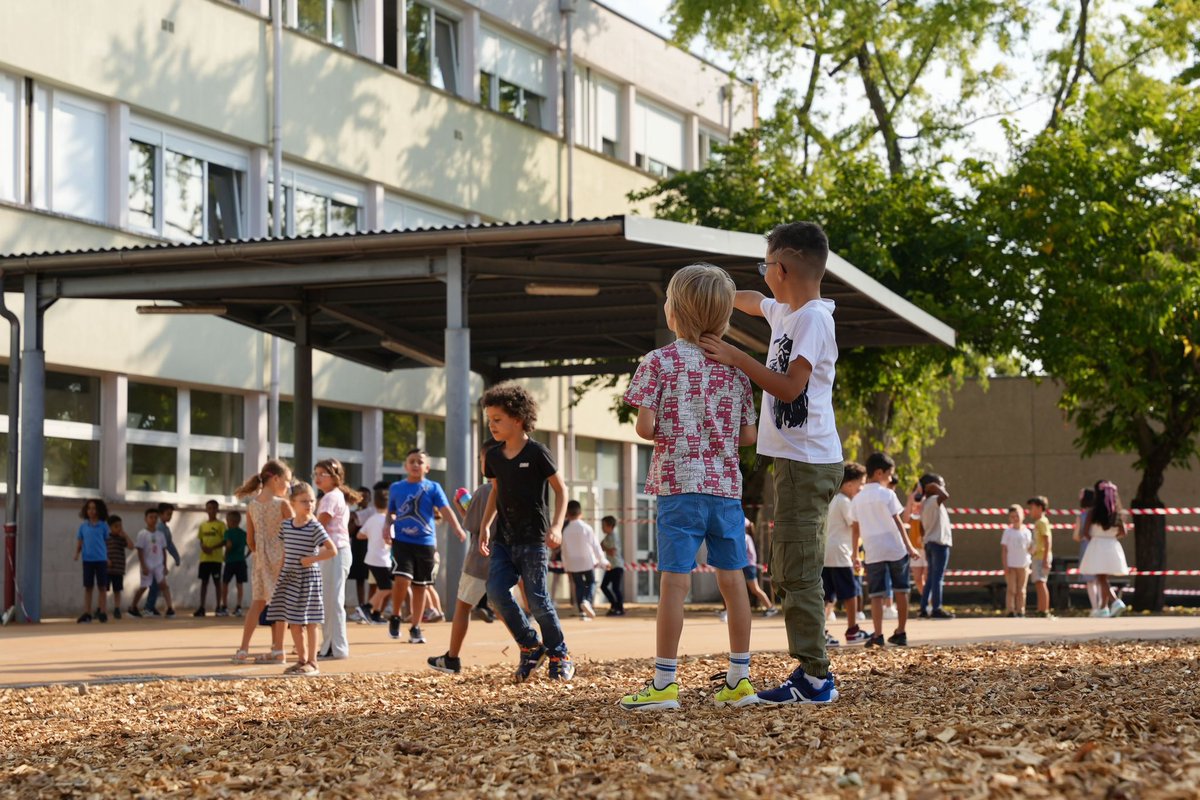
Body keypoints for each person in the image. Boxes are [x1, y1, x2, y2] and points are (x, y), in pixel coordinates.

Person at [699, 222, 843, 705]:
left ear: (780, 268)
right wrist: (706, 289)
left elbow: (789, 388)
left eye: (765, 266)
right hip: (795, 461)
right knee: (788, 565)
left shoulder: (813, 320)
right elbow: (743, 299)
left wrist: (737, 356)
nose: (762, 276)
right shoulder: (786, 309)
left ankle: (816, 680)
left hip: (809, 461)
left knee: (797, 570)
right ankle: (810, 673)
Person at [619, 262, 759, 711]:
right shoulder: (736, 369)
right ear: (724, 318)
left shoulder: (658, 362)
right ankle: (740, 678)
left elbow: (645, 426)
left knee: (673, 585)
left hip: (679, 486)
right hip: (726, 489)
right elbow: (749, 437)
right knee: (734, 581)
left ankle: (664, 684)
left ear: (673, 313)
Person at [478, 381, 574, 682]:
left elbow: (562, 491)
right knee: (495, 591)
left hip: (533, 539)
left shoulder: (537, 453)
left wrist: (557, 526)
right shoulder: (493, 456)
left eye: (497, 419)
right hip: (504, 540)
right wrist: (484, 526)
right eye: (489, 420)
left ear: (517, 419)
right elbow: (496, 492)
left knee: (537, 599)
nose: (491, 425)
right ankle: (531, 645)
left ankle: (559, 653)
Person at [428, 439, 501, 675]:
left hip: (478, 561)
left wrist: (463, 508)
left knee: (462, 608)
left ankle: (452, 657)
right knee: (505, 608)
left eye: (481, 459)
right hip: (504, 559)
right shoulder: (512, 490)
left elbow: (473, 525)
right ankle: (529, 647)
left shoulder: (483, 491)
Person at [385, 449, 466, 644]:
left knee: (420, 586)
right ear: (406, 466)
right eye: (411, 461)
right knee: (402, 578)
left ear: (427, 467)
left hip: (426, 543)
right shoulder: (396, 487)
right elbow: (390, 512)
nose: (415, 465)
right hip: (402, 541)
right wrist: (386, 527)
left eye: (419, 462)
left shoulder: (433, 487)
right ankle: (395, 615)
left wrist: (457, 528)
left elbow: (446, 510)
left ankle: (415, 626)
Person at [265, 482, 336, 675]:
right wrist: (278, 575)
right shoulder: (286, 525)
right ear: (292, 503)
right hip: (290, 577)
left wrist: (311, 559)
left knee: (311, 621)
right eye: (304, 501)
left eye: (312, 501)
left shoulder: (315, 527)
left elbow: (332, 550)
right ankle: (302, 660)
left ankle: (313, 662)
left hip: (309, 578)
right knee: (294, 621)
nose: (309, 504)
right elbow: (284, 552)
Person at [853, 453, 919, 649]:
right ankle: (901, 632)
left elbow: (855, 528)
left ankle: (878, 634)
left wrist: (855, 554)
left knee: (876, 594)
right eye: (890, 475)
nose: (891, 479)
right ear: (879, 473)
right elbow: (898, 522)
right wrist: (909, 546)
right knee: (901, 590)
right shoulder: (888, 494)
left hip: (873, 550)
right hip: (895, 548)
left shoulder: (857, 499)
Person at [232, 459, 294, 664]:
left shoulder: (252, 505)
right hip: (283, 559)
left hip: (260, 560)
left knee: (257, 603)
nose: (289, 486)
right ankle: (278, 650)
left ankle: (243, 649)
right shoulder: (283, 504)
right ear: (275, 479)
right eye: (287, 481)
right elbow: (295, 531)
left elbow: (250, 539)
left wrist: (261, 553)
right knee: (281, 603)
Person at [314, 459, 362, 661]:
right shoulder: (331, 496)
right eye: (315, 474)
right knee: (330, 600)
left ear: (334, 477)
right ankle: (331, 645)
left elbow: (318, 526)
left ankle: (336, 647)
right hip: (332, 554)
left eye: (321, 474)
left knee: (332, 601)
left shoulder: (331, 498)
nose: (317, 478)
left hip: (335, 553)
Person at [823, 463, 869, 645]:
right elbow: (855, 526)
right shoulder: (845, 502)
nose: (862, 488)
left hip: (827, 553)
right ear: (849, 484)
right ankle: (852, 630)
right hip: (841, 554)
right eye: (861, 484)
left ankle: (821, 632)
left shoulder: (833, 499)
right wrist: (856, 555)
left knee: (826, 595)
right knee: (850, 593)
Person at [1077, 480, 1130, 618]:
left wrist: (1096, 539)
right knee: (1103, 577)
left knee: (1100, 577)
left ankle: (1115, 601)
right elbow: (1124, 532)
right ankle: (1103, 608)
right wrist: (1111, 537)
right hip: (1112, 545)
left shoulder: (1092, 512)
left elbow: (1085, 532)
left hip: (1097, 544)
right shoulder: (1116, 513)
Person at [918, 473, 955, 620]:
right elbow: (945, 496)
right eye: (941, 484)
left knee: (931, 578)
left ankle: (923, 608)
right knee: (938, 577)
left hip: (929, 542)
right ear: (931, 487)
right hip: (939, 543)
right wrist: (936, 488)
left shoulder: (924, 504)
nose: (943, 487)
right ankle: (936, 608)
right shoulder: (935, 500)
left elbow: (921, 527)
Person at [129, 508, 173, 618]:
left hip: (158, 565)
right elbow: (140, 551)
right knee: (143, 587)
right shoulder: (142, 534)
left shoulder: (160, 534)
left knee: (164, 585)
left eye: (155, 517)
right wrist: (143, 565)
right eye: (150, 517)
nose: (153, 520)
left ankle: (170, 608)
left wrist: (164, 565)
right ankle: (133, 607)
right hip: (147, 565)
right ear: (145, 519)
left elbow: (163, 550)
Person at [359, 482, 393, 624]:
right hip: (382, 559)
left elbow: (360, 535)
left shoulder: (372, 518)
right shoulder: (389, 520)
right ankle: (366, 607)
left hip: (372, 558)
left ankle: (376, 614)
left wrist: (372, 536)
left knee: (382, 587)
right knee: (388, 587)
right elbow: (391, 539)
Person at [74, 498, 111, 623]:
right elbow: (80, 541)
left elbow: (107, 542)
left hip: (101, 559)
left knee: (102, 586)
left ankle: (102, 611)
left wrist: (108, 557)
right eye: (89, 508)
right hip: (88, 560)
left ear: (99, 510)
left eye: (94, 508)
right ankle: (87, 612)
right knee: (88, 587)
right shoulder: (83, 526)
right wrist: (77, 553)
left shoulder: (104, 526)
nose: (92, 511)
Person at [145, 502, 181, 616]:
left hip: (159, 561)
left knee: (157, 585)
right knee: (156, 585)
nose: (169, 517)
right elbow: (161, 547)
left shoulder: (165, 529)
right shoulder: (159, 529)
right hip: (155, 562)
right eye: (167, 514)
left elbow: (169, 544)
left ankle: (151, 606)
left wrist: (176, 556)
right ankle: (149, 607)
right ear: (161, 515)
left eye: (171, 515)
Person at [1072, 488, 1103, 612]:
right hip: (1100, 547)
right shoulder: (1100, 514)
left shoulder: (1082, 516)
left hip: (1087, 548)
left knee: (1090, 581)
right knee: (1101, 580)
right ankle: (1102, 607)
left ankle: (1095, 608)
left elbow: (1077, 536)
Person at [999, 504, 1032, 617]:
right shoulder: (1008, 532)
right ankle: (1010, 610)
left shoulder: (1027, 532)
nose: (1015, 519)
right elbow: (1004, 550)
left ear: (1023, 516)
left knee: (1021, 590)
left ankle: (1021, 610)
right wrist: (1005, 566)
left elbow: (1029, 548)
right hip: (1011, 565)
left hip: (1023, 565)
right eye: (1012, 516)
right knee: (1011, 589)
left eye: (1017, 516)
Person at [195, 499, 226, 617]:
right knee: (204, 582)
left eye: (214, 508)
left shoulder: (221, 525)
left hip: (216, 559)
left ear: (217, 510)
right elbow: (201, 540)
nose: (211, 510)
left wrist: (213, 548)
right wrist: (203, 547)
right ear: (206, 510)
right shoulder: (203, 526)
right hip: (204, 559)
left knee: (217, 583)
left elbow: (225, 540)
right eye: (209, 508)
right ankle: (202, 607)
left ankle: (219, 607)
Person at [1026, 495, 1054, 619]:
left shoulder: (1042, 522)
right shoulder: (1039, 522)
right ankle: (1041, 608)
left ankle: (1044, 610)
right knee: (1039, 583)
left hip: (1042, 556)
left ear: (1039, 507)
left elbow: (1047, 539)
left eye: (1032, 508)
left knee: (1041, 582)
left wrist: (1045, 558)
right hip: (1038, 555)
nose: (1030, 511)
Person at [348, 486, 373, 623]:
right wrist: (352, 520)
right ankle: (361, 605)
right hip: (357, 548)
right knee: (359, 578)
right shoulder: (353, 513)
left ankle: (371, 606)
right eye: (361, 496)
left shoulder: (371, 512)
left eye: (366, 497)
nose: (363, 499)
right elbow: (350, 531)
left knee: (372, 579)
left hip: (369, 547)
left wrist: (354, 518)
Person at [743, 521, 778, 617]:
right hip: (747, 566)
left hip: (748, 566)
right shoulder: (746, 537)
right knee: (747, 589)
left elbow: (741, 552)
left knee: (755, 589)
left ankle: (771, 607)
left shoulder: (745, 537)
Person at [218, 510, 248, 617]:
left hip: (230, 561)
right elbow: (251, 546)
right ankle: (238, 606)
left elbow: (229, 544)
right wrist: (246, 556)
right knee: (239, 584)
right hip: (241, 562)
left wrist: (226, 554)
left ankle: (224, 606)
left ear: (230, 521)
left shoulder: (228, 532)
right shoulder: (243, 534)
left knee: (225, 583)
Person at [105, 515, 135, 620]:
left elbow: (131, 546)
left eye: (120, 526)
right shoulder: (106, 538)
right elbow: (101, 551)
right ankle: (102, 608)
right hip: (107, 569)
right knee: (103, 589)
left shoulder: (121, 539)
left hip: (118, 569)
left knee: (117, 590)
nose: (119, 528)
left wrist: (125, 535)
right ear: (109, 527)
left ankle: (117, 608)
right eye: (116, 526)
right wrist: (106, 560)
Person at [599, 515, 625, 616]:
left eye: (603, 526)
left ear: (610, 526)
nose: (602, 528)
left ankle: (620, 608)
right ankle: (614, 605)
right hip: (611, 566)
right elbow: (601, 546)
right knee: (604, 586)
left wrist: (604, 547)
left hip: (617, 566)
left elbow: (612, 552)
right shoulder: (608, 537)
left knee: (615, 588)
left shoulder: (613, 536)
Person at [905, 487, 927, 599]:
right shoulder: (913, 506)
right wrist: (910, 500)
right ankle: (926, 601)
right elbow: (905, 520)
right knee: (918, 579)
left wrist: (923, 502)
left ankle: (932, 605)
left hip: (927, 547)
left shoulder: (928, 503)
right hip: (915, 547)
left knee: (928, 578)